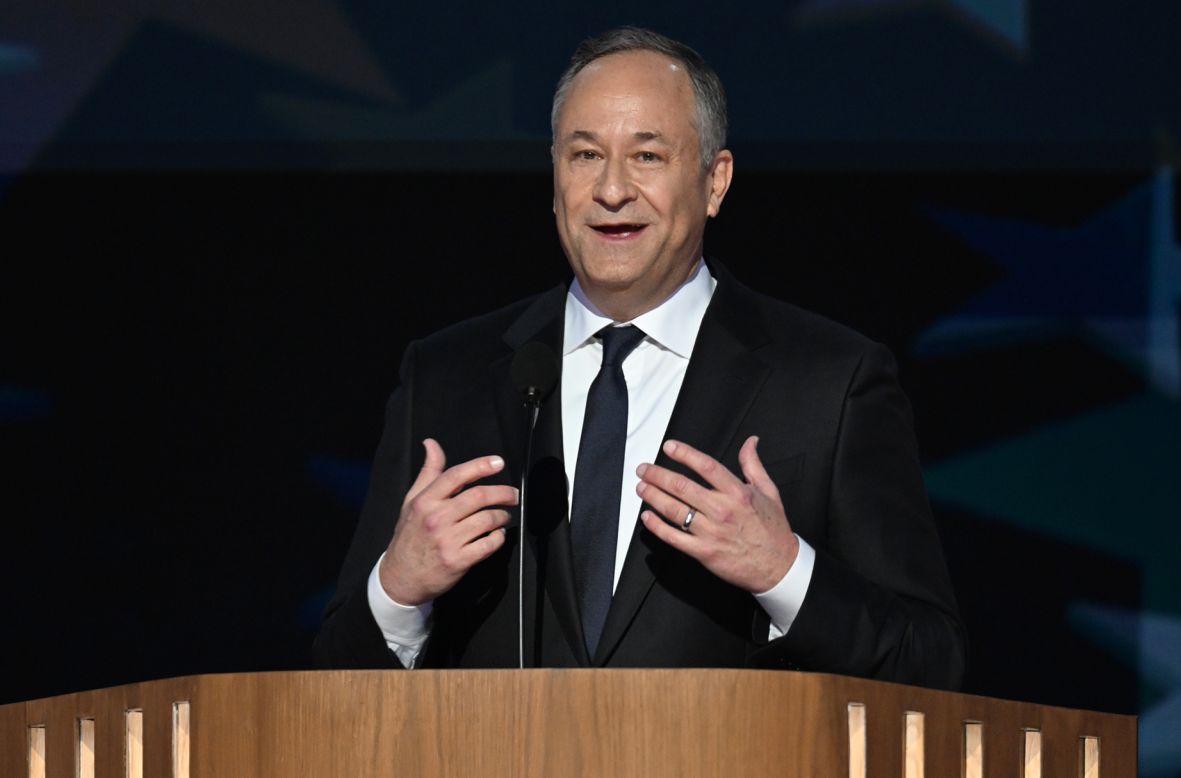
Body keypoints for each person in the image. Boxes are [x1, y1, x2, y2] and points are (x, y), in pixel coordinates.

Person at [314, 27, 964, 689]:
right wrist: (399, 591)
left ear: (715, 182)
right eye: (585, 155)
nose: (612, 189)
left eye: (647, 156)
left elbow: (929, 661)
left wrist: (783, 571)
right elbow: (333, 682)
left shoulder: (833, 382)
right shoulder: (446, 376)